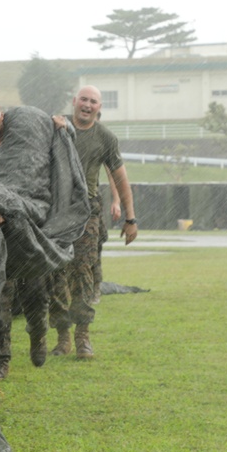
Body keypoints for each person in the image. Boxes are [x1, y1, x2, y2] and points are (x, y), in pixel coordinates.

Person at [0, 95, 55, 378]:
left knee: (36, 295)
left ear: (2, 114)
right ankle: (2, 358)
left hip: (30, 236)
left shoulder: (27, 144)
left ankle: (38, 334)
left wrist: (59, 125)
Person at [48, 85, 137, 358]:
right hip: (55, 211)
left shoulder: (105, 137)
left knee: (83, 272)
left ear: (99, 108)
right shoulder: (55, 127)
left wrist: (130, 218)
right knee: (55, 274)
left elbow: (120, 177)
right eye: (83, 100)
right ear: (74, 101)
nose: (87, 105)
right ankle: (62, 338)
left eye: (93, 102)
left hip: (87, 211)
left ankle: (83, 337)